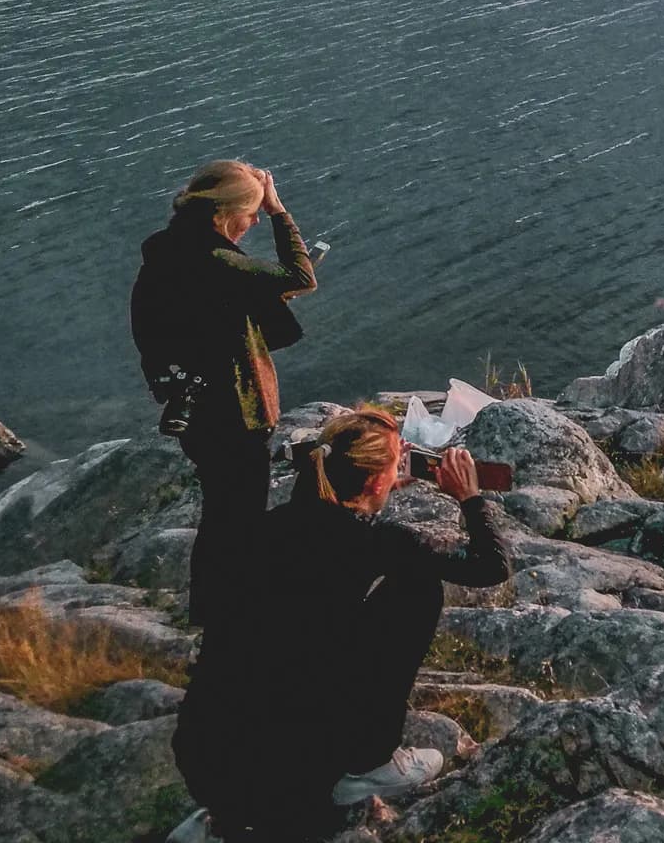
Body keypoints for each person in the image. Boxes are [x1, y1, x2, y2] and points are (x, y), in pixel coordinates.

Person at [168, 406, 514, 842]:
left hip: (204, 758)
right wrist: (470, 497)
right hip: (300, 768)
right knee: (419, 586)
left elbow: (313, 507)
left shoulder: (260, 530)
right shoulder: (378, 541)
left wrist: (379, 477)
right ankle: (366, 765)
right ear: (373, 481)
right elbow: (492, 566)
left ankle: (222, 820)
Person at [131, 160, 317, 629]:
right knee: (242, 522)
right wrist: (280, 213)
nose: (254, 221)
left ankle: (209, 613)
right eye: (251, 212)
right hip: (236, 414)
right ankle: (236, 622)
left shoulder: (166, 255)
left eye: (261, 213)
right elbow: (301, 276)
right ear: (224, 214)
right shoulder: (220, 262)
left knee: (218, 520)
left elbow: (194, 319)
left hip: (195, 411)